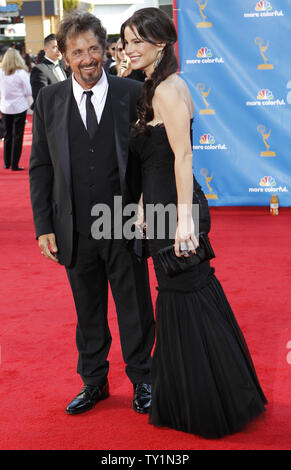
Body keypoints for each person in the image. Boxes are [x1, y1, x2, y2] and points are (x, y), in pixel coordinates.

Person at [121, 7, 267, 439]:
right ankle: (195, 393)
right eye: (126, 40)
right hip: (162, 207)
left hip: (178, 211)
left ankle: (209, 400)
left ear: (160, 44)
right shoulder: (152, 86)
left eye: (136, 41)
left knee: (187, 296)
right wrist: (146, 206)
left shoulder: (168, 89)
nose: (129, 48)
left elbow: (184, 157)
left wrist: (183, 220)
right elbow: (155, 158)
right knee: (181, 299)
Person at [29, 11, 155, 416]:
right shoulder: (49, 100)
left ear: (106, 49)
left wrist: (148, 206)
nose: (87, 59)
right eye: (77, 51)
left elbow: (153, 160)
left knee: (134, 307)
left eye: (94, 49)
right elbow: (41, 166)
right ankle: (94, 383)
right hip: (75, 227)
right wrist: (43, 226)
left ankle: (143, 380)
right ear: (63, 56)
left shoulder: (131, 92)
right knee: (88, 312)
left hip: (122, 221)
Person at [0, 48, 32, 170]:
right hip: (19, 107)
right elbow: (28, 91)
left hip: (5, 107)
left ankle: (6, 163)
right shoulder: (21, 73)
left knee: (7, 135)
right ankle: (14, 164)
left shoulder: (1, 72)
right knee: (17, 136)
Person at [30, 34, 67, 107]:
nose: (59, 50)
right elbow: (41, 98)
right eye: (55, 47)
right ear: (45, 49)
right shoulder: (39, 69)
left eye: (60, 47)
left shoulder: (61, 66)